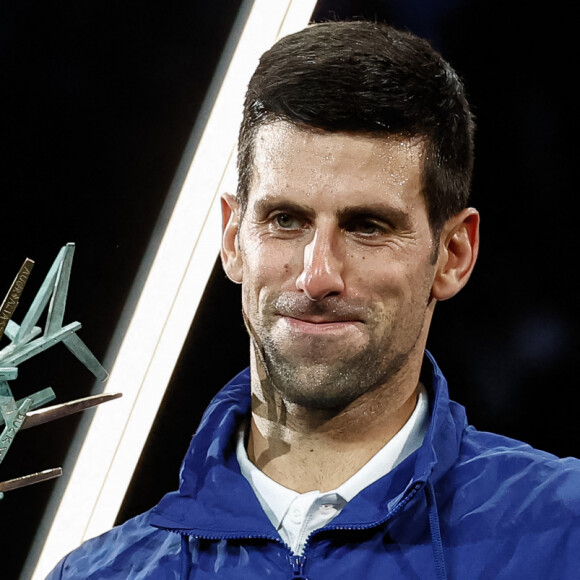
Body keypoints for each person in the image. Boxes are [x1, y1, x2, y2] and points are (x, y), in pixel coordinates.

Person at [46, 20, 580, 579]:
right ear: (233, 240)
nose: (317, 275)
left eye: (367, 226)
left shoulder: (564, 533)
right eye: (285, 219)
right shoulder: (99, 574)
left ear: (452, 255)